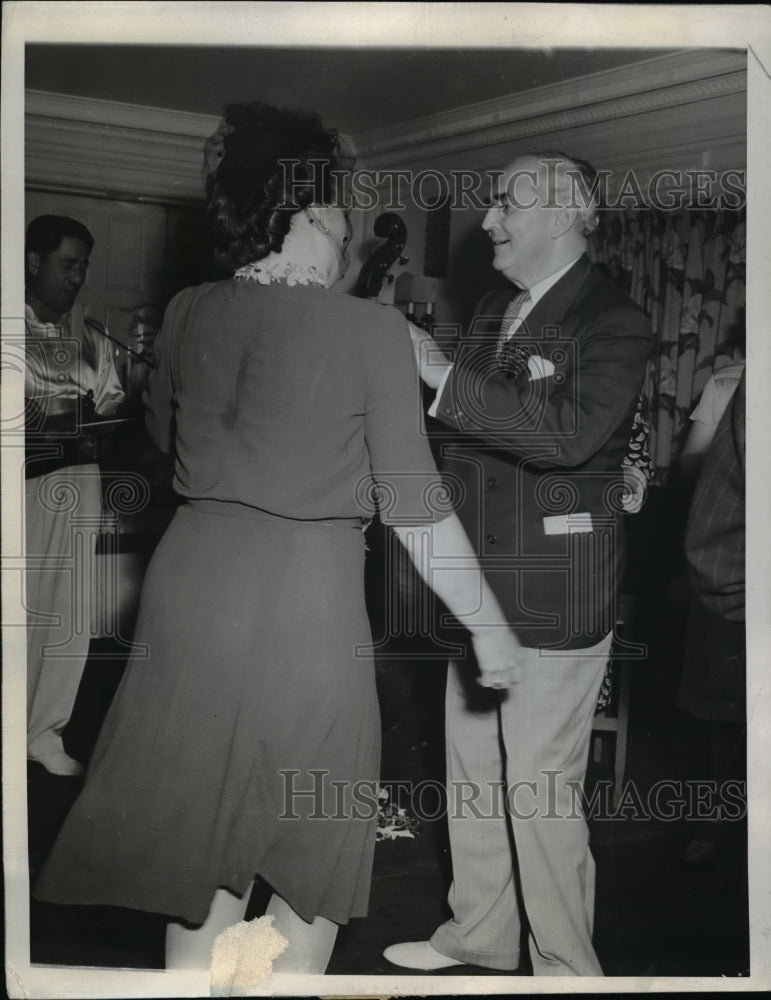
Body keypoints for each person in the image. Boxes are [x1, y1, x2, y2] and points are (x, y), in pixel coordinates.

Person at [34, 103, 523, 975]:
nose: (343, 224)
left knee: (197, 854)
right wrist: (486, 624)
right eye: (337, 204)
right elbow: (413, 501)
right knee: (308, 859)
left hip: (190, 597)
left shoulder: (185, 312)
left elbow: (163, 434)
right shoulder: (370, 330)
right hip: (306, 604)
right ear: (305, 211)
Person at [385, 152, 652, 975]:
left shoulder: (614, 320)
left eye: (506, 203)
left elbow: (568, 437)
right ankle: (480, 933)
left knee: (538, 792)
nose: (489, 219)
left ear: (570, 211)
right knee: (471, 773)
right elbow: (477, 441)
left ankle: (567, 969)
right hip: (479, 590)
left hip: (553, 592)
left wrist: (437, 372)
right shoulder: (500, 306)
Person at [25, 215, 125, 777]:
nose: (77, 276)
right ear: (34, 262)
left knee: (69, 610)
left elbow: (110, 405)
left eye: (84, 266)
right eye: (68, 264)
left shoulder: (87, 334)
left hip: (79, 481)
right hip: (22, 484)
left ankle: (45, 732)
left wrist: (101, 423)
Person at [678, 372, 746, 864]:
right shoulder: (729, 383)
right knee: (723, 711)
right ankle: (717, 817)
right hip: (734, 563)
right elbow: (691, 471)